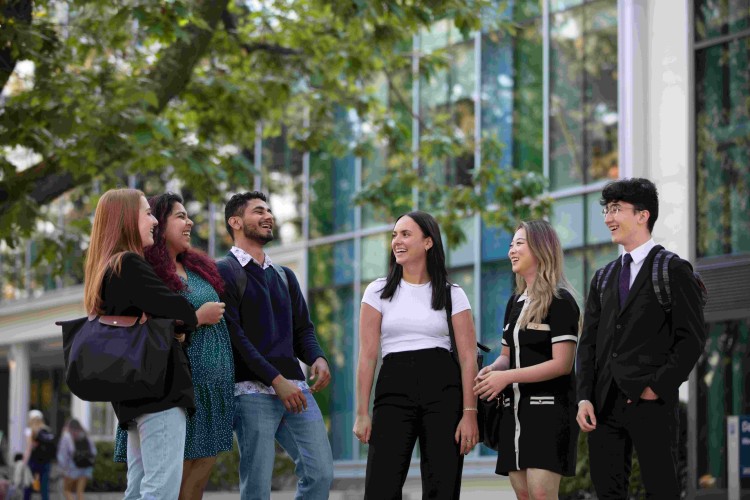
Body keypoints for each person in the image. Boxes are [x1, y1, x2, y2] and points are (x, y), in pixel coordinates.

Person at [83, 188, 223, 500]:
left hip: (133, 396)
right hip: (159, 391)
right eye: (147, 213)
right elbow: (181, 309)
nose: (154, 222)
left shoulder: (107, 267)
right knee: (160, 490)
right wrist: (183, 322)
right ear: (125, 220)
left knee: (139, 488)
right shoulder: (130, 264)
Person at [575, 178, 706, 499]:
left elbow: (691, 339)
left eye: (616, 209)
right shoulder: (602, 277)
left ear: (643, 215)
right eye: (606, 209)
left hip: (652, 403)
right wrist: (584, 397)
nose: (608, 218)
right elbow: (588, 344)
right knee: (608, 491)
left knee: (662, 488)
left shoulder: (672, 270)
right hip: (603, 406)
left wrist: (656, 387)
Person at [353, 211, 480, 499]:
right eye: (394, 235)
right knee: (380, 487)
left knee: (442, 486)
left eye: (405, 234)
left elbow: (468, 358)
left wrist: (469, 414)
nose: (397, 241)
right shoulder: (377, 291)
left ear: (428, 242)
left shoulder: (452, 294)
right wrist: (362, 412)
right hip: (393, 389)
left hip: (444, 391)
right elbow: (367, 356)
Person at [217, 191, 333, 500]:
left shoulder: (284, 276)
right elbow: (234, 336)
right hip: (250, 391)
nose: (269, 216)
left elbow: (303, 329)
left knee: (320, 473)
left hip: (295, 388)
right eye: (259, 211)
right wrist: (274, 380)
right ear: (236, 222)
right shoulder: (223, 271)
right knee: (256, 487)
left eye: (269, 210)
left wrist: (316, 356)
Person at [473, 220, 580, 499]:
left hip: (548, 415)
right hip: (513, 415)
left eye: (519, 243)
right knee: (523, 496)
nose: (512, 250)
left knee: (542, 496)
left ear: (541, 249)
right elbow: (507, 357)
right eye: (511, 244)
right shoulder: (514, 302)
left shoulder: (562, 302)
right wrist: (490, 372)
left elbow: (562, 364)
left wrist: (505, 378)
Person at [56, 419, 96, 500]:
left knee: (67, 491)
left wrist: (63, 469)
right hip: (86, 468)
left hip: (72, 469)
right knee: (80, 492)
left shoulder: (67, 436)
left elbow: (62, 455)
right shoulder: (86, 435)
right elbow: (94, 452)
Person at [22, 409, 55, 500]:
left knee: (28, 485)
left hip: (33, 461)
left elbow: (28, 448)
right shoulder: (47, 430)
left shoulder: (30, 430)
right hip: (46, 462)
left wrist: (24, 462)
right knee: (44, 488)